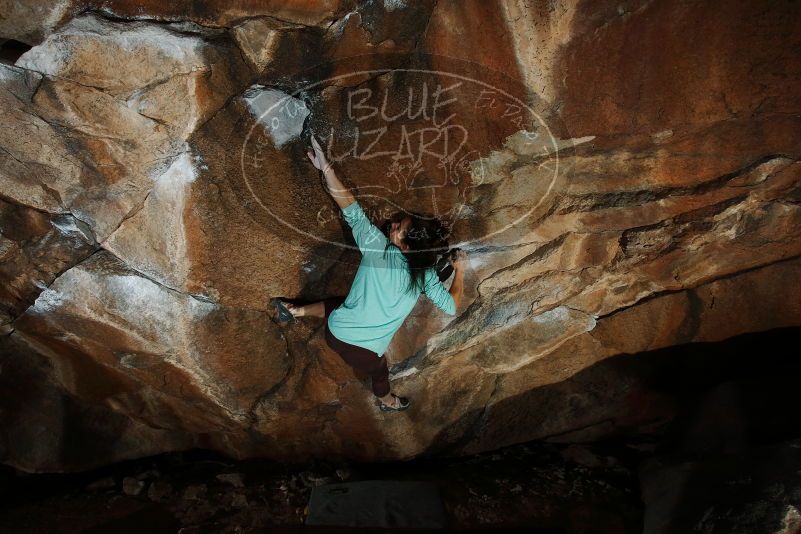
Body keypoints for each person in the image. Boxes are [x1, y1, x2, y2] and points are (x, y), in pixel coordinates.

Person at [273, 136, 467, 412]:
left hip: (337, 328)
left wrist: (326, 169)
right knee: (380, 371)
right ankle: (388, 402)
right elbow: (451, 306)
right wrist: (459, 271)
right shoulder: (425, 276)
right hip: (361, 351)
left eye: (399, 226)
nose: (395, 222)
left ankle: (294, 311)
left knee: (339, 304)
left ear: (406, 244)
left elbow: (351, 208)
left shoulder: (378, 248)